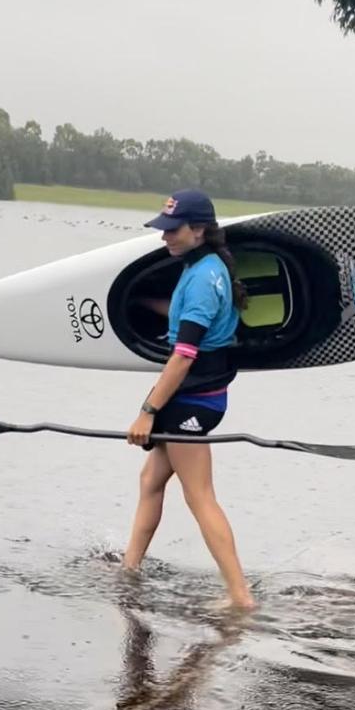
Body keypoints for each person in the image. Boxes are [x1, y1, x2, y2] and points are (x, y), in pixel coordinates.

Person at [123, 189, 255, 610]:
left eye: (172, 230)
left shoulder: (200, 277)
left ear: (198, 230)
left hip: (193, 403)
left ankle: (240, 597)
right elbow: (188, 316)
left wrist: (148, 412)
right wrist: (142, 302)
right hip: (196, 399)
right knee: (150, 481)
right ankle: (129, 571)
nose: (165, 238)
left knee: (200, 496)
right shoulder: (206, 266)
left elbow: (183, 356)